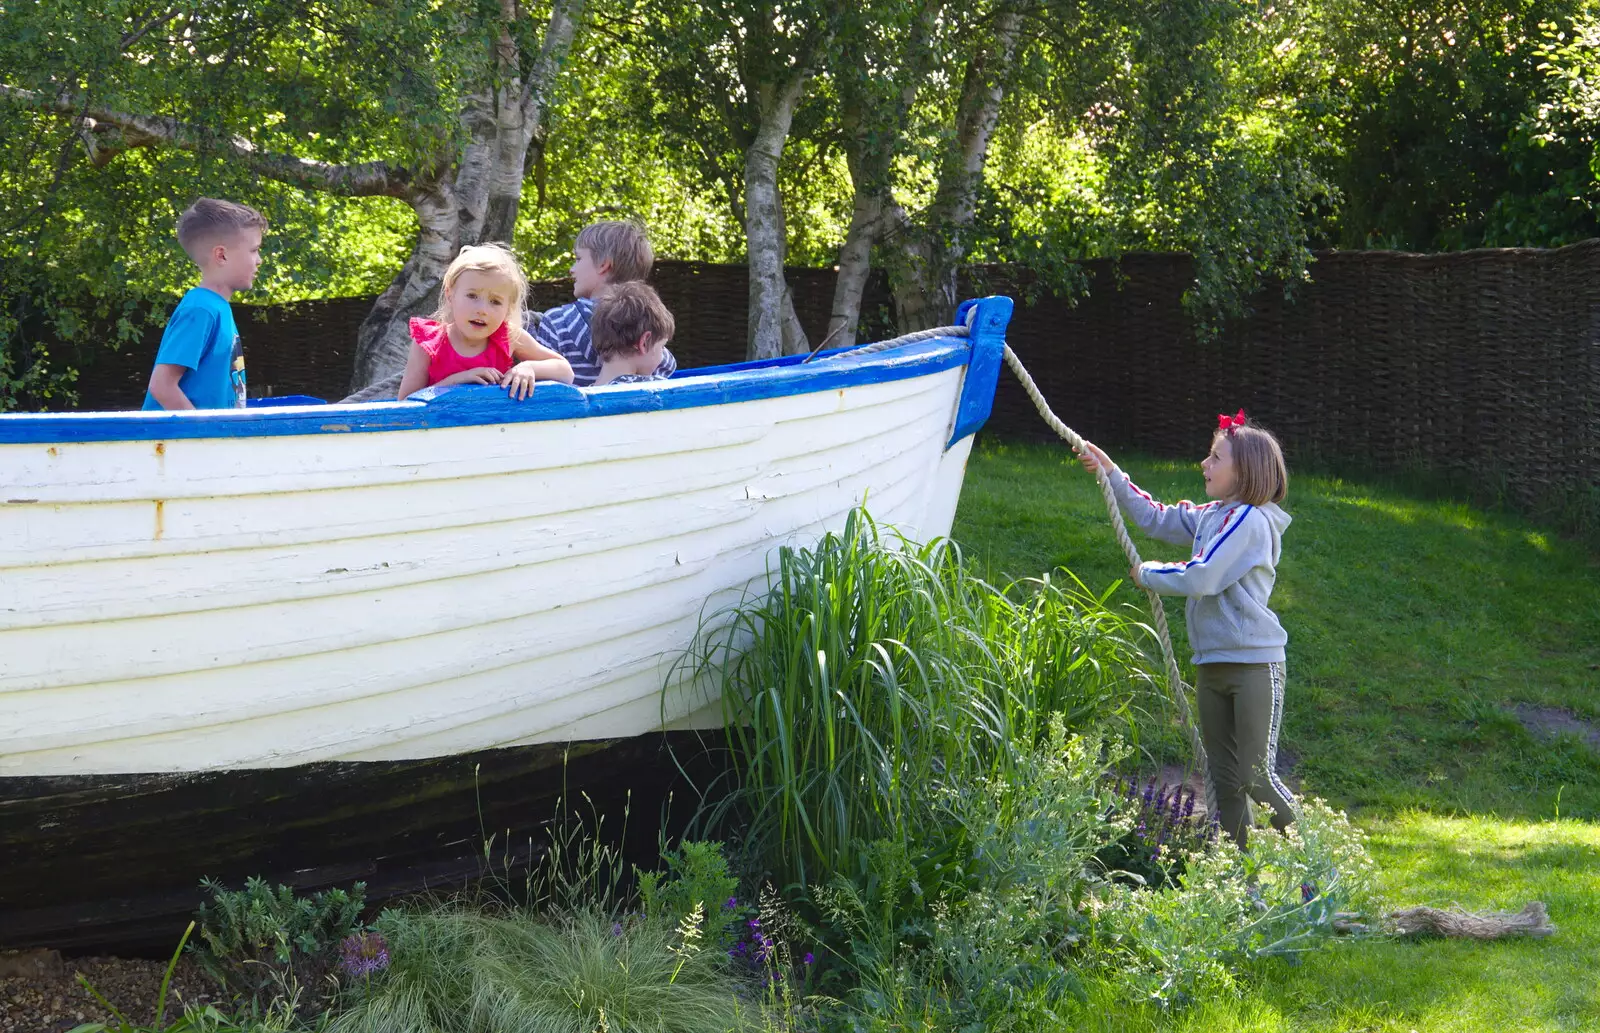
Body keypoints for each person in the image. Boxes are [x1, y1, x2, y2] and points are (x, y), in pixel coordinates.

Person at [1074, 411, 1297, 848]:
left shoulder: (1251, 522)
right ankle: (1241, 884)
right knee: (1225, 781)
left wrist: (1150, 573)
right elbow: (1156, 517)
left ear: (1245, 470)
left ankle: (1320, 867)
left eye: (1216, 457)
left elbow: (1204, 576)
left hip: (1253, 665)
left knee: (1256, 775)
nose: (1204, 464)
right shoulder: (1214, 515)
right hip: (1212, 663)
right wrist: (1112, 473)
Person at [397, 243, 573, 400]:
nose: (482, 309)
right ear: (451, 295)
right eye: (472, 296)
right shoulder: (429, 343)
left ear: (508, 308)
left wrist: (529, 368)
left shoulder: (508, 336)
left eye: (495, 301)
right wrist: (457, 381)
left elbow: (566, 372)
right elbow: (405, 403)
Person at [143, 198, 267, 411]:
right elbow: (162, 386)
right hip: (174, 443)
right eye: (254, 250)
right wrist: (204, 436)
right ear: (222, 255)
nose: (259, 260)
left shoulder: (217, 308)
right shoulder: (201, 310)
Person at [528, 220, 676, 386]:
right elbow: (667, 368)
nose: (571, 269)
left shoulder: (556, 322)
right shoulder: (649, 323)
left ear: (603, 265)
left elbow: (543, 389)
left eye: (578, 259)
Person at [589, 282, 676, 386]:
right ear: (644, 343)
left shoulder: (586, 392)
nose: (663, 357)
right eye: (662, 347)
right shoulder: (654, 387)